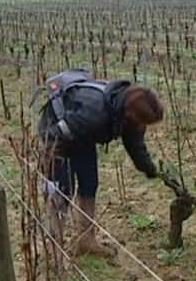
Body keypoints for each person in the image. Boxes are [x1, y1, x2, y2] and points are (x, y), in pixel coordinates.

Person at [38, 68, 163, 257]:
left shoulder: (128, 116)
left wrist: (148, 168)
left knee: (89, 183)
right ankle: (53, 251)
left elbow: (135, 143)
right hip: (57, 132)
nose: (143, 127)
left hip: (83, 134)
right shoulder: (95, 113)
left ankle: (86, 241)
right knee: (62, 190)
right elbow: (58, 135)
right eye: (143, 122)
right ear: (133, 115)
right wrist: (52, 168)